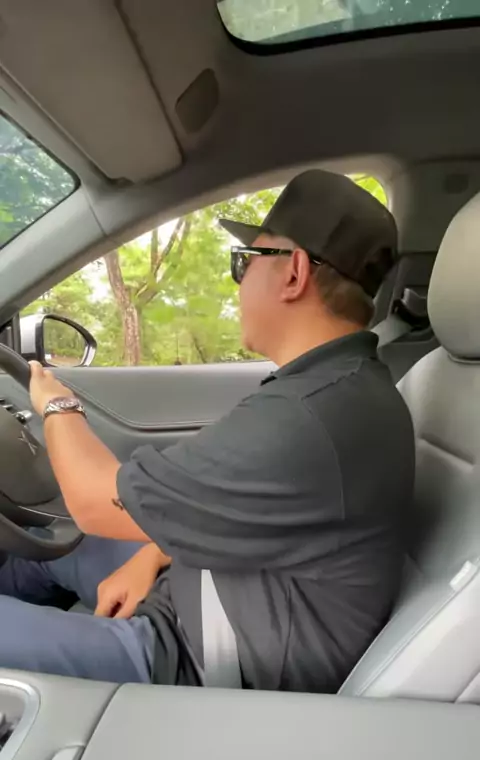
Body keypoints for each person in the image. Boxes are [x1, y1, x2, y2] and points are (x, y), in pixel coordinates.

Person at [0, 170, 415, 691]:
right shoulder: (336, 388)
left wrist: (56, 404)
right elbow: (237, 511)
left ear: (294, 274)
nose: (238, 282)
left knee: (69, 533)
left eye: (246, 261)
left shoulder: (310, 417)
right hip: (213, 589)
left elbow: (91, 501)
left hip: (195, 658)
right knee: (46, 548)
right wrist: (153, 554)